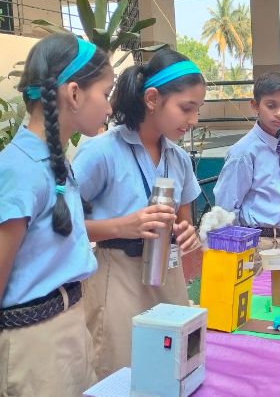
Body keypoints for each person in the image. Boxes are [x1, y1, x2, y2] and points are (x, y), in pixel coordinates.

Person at [72, 48, 205, 379]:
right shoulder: (102, 151)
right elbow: (62, 226)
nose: (193, 120)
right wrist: (123, 226)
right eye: (186, 108)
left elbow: (185, 221)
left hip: (168, 275)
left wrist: (187, 233)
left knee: (174, 370)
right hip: (119, 277)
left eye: (198, 110)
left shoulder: (178, 159)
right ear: (152, 99)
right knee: (121, 372)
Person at [0, 33, 113, 396]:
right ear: (75, 94)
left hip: (68, 326)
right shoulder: (20, 171)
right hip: (34, 346)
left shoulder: (53, 161)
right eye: (106, 93)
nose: (109, 108)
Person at [214, 71, 280, 255]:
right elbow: (226, 207)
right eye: (271, 106)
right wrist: (238, 250)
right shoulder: (244, 152)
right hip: (258, 243)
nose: (279, 114)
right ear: (255, 105)